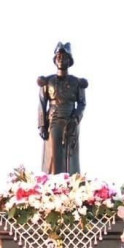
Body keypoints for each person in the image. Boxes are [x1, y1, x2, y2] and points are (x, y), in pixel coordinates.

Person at [37, 42, 87, 174]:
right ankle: (52, 183)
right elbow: (42, 103)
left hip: (71, 121)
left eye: (64, 57)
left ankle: (72, 182)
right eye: (58, 57)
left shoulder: (77, 82)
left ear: (69, 60)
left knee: (70, 155)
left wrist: (75, 119)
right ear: (55, 60)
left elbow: (82, 103)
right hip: (53, 121)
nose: (61, 59)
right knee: (54, 156)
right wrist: (42, 125)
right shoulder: (47, 81)